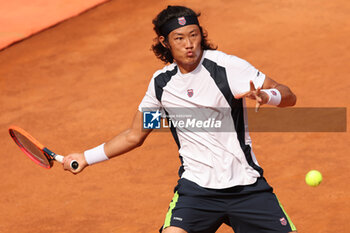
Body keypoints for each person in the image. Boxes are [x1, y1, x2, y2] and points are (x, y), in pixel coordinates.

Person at [63, 5, 297, 233]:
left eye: (194, 35)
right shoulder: (163, 86)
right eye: (180, 38)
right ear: (165, 42)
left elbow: (288, 95)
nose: (189, 45)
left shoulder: (227, 68)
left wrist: (267, 95)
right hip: (197, 191)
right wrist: (86, 157)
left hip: (246, 187)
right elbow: (135, 136)